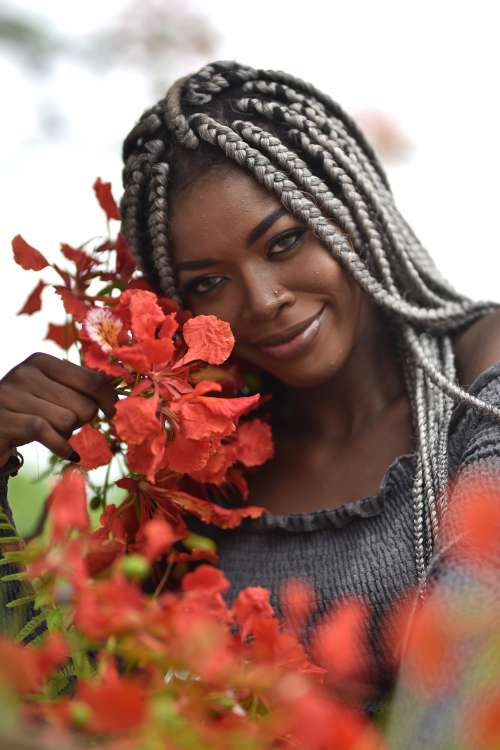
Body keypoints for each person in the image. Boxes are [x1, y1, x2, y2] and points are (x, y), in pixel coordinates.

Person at [2, 60, 500, 729]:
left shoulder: (479, 379)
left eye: (285, 240)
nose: (264, 301)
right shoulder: (199, 473)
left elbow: (471, 663)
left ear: (350, 206)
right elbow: (68, 716)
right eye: (209, 283)